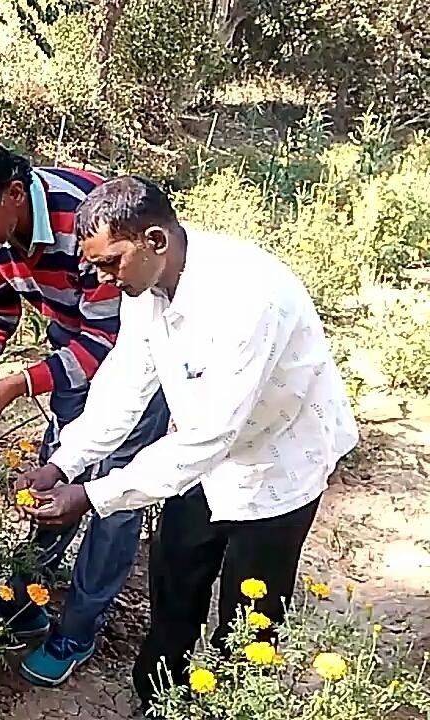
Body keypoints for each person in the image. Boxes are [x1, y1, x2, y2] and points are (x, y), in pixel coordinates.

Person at [18, 176, 358, 715]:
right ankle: (157, 703)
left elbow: (211, 433)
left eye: (110, 262)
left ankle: (226, 708)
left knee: (249, 617)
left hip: (277, 464)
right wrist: (64, 462)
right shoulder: (145, 288)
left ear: (155, 240)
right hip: (198, 461)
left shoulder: (247, 297)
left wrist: (91, 496)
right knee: (174, 585)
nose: (100, 278)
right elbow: (124, 388)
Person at [0, 135, 170, 686]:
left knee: (114, 496)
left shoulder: (87, 226)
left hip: (135, 357)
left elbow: (109, 338)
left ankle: (79, 628)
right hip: (72, 349)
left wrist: (18, 384)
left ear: (14, 194)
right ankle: (25, 595)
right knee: (54, 475)